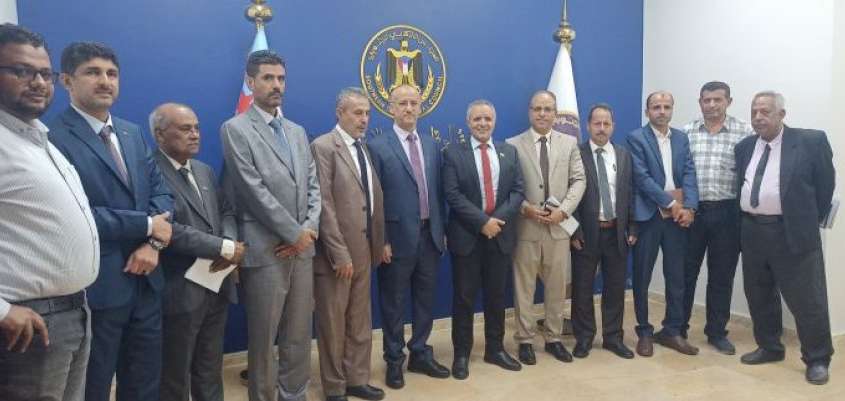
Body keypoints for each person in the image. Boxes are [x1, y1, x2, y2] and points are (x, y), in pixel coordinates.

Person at [49, 41, 174, 401]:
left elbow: (163, 195)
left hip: (147, 282)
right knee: (94, 386)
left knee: (144, 383)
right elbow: (76, 214)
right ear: (66, 80)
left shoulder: (132, 133)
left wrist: (152, 244)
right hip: (97, 287)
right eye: (93, 72)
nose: (105, 81)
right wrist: (147, 227)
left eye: (112, 73)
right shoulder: (54, 138)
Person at [0, 23, 99, 401]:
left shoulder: (38, 138)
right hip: (27, 323)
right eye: (21, 71)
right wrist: (2, 311)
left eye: (45, 73)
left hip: (74, 312)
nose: (39, 82)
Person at [220, 49, 320, 401]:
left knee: (299, 334)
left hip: (302, 252)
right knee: (263, 340)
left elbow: (313, 186)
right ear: (250, 82)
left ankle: (294, 394)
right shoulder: (235, 129)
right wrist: (294, 233)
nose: (276, 85)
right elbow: (252, 191)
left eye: (281, 78)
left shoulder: (297, 131)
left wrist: (307, 231)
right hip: (266, 252)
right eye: (267, 78)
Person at [735, 91, 835, 385]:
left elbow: (825, 187)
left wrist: (804, 219)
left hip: (791, 232)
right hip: (752, 230)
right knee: (759, 293)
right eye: (754, 112)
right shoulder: (744, 147)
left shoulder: (810, 142)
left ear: (781, 114)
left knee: (807, 299)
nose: (758, 117)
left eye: (765, 112)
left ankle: (817, 358)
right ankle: (769, 346)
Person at [150, 103, 245, 401]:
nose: (194, 134)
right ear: (160, 134)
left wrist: (229, 242)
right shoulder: (150, 172)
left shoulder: (204, 170)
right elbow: (169, 229)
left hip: (217, 285)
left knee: (210, 367)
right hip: (180, 290)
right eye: (185, 129)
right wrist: (223, 248)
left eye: (197, 128)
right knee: (175, 374)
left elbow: (226, 211)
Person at [367, 84, 449, 389]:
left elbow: (438, 192)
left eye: (414, 103)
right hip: (396, 239)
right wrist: (382, 239)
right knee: (393, 304)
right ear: (390, 108)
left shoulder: (431, 144)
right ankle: (394, 360)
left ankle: (420, 353)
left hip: (429, 236)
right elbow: (374, 199)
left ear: (421, 107)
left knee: (425, 301)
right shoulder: (377, 146)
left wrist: (440, 230)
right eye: (402, 103)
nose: (409, 108)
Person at [310, 87, 386, 401]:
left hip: (365, 249)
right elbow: (323, 204)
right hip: (337, 254)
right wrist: (339, 253)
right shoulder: (324, 146)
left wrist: (379, 242)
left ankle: (357, 378)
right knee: (333, 322)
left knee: (359, 318)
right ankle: (334, 386)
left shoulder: (363, 147)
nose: (364, 119)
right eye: (357, 113)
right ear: (340, 113)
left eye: (367, 113)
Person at [442, 100, 525, 379]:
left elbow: (518, 192)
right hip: (467, 237)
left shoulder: (509, 152)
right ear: (468, 123)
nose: (482, 123)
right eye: (477, 119)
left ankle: (495, 349)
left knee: (496, 296)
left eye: (487, 119)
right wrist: (482, 222)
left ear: (494, 122)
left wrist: (495, 222)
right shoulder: (453, 153)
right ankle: (461, 354)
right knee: (464, 298)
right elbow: (452, 194)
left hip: (499, 236)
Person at [506, 90, 585, 365]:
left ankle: (553, 338)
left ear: (555, 113)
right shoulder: (512, 145)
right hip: (526, 227)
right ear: (530, 112)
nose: (542, 114)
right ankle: (525, 340)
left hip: (558, 228)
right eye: (537, 109)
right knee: (524, 288)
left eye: (548, 109)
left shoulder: (569, 143)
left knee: (556, 287)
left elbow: (579, 180)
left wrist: (564, 211)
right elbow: (508, 186)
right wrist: (524, 207)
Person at [680, 81, 752, 355]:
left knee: (722, 276)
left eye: (717, 100)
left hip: (728, 213)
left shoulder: (744, 132)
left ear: (728, 102)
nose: (711, 105)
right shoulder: (686, 132)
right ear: (700, 102)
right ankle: (678, 328)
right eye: (706, 100)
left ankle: (716, 332)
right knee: (685, 274)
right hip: (693, 212)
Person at [625, 91, 698, 357]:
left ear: (672, 110)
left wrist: (690, 207)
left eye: (667, 106)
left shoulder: (681, 138)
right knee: (642, 277)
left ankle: (672, 330)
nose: (662, 111)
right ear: (647, 112)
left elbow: (689, 173)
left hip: (677, 219)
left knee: (677, 276)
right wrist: (672, 204)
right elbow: (642, 178)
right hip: (649, 216)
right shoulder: (636, 138)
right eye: (656, 107)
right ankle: (644, 332)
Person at [569, 103, 636, 360]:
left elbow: (630, 192)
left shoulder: (623, 155)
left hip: (616, 232)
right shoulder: (576, 153)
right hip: (586, 233)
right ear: (588, 126)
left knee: (615, 288)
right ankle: (584, 338)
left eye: (606, 123)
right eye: (597, 123)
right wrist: (573, 231)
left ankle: (613, 337)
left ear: (613, 126)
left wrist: (632, 226)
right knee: (582, 289)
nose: (601, 128)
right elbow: (567, 193)